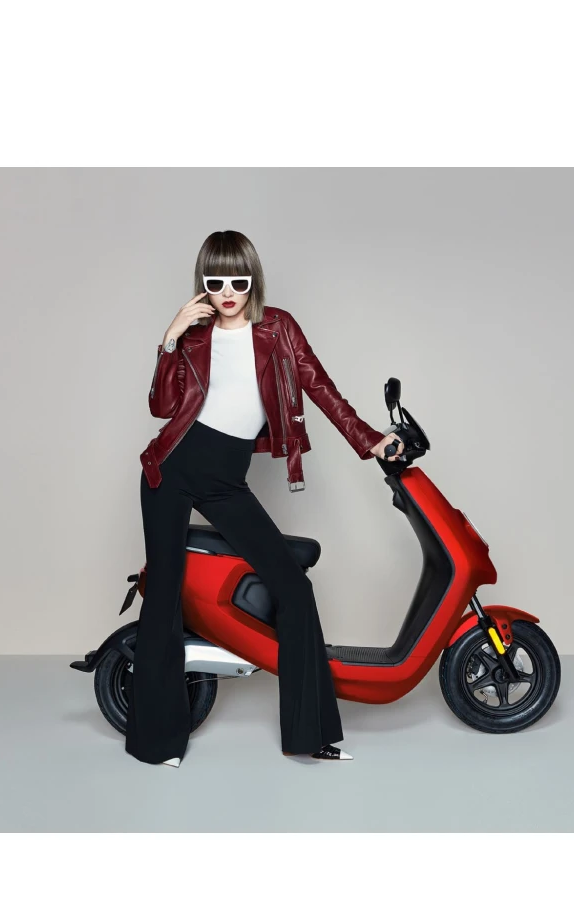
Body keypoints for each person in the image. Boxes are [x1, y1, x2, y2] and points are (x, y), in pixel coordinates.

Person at [126, 230, 404, 768]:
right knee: (163, 597)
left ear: (253, 280)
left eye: (238, 281)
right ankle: (156, 743)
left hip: (225, 483)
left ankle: (310, 735)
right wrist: (169, 339)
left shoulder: (278, 328)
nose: (227, 293)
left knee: (293, 588)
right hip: (169, 471)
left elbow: (320, 387)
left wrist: (369, 440)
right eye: (215, 282)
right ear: (203, 284)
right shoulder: (195, 337)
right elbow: (162, 408)